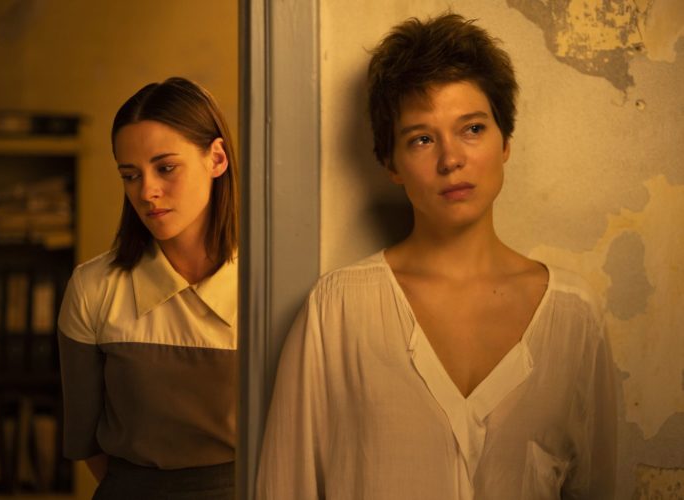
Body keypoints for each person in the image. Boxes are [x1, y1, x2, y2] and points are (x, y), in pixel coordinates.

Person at [257, 13, 616, 500]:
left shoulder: (574, 316)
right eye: (422, 139)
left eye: (472, 129)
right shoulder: (337, 311)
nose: (451, 159)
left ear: (505, 142)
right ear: (392, 164)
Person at [58, 77, 239, 499]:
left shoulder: (271, 288)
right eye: (130, 175)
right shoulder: (93, 288)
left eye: (166, 168)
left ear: (216, 158)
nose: (147, 192)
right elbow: (87, 442)